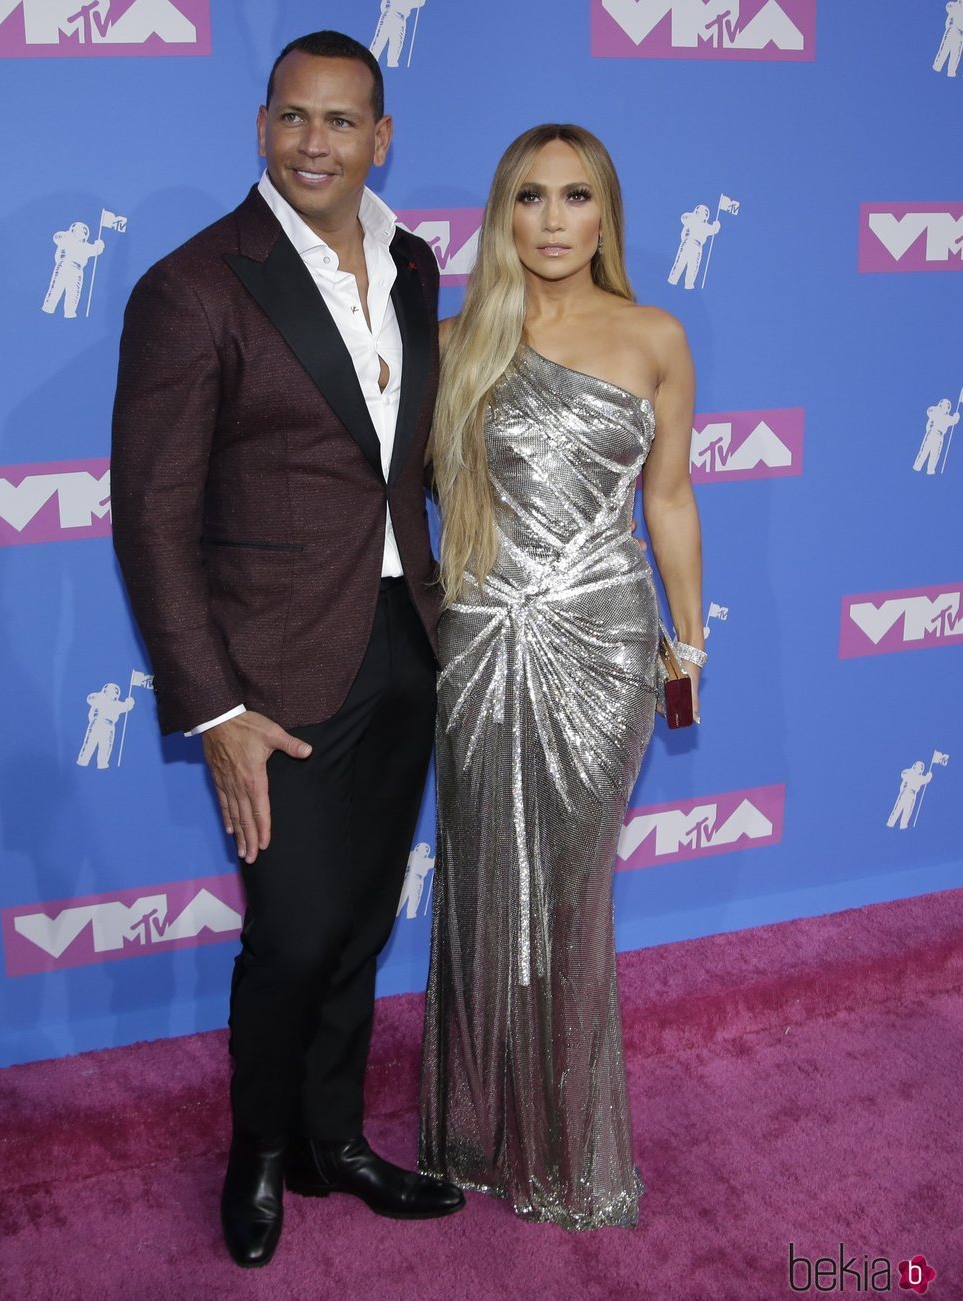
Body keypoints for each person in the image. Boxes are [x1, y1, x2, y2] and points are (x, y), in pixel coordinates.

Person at [110, 30, 462, 1270]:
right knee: (295, 930)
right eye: (292, 118)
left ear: (379, 137)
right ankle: (257, 1150)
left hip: (400, 644)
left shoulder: (416, 264)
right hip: (270, 673)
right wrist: (213, 709)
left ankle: (333, 1142)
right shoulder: (194, 285)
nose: (315, 143)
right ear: (262, 127)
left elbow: (408, 460)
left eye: (340, 121)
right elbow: (151, 516)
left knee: (360, 923)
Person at [419, 124, 705, 1229]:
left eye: (573, 196)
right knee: (484, 891)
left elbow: (668, 496)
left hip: (606, 647)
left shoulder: (653, 336)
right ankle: (479, 1133)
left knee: (572, 900)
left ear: (604, 215)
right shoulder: (452, 344)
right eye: (529, 197)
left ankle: (573, 1148)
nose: (550, 220)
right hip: (482, 647)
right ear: (502, 214)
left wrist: (688, 641)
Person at [667, 204, 720, 289]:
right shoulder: (691, 219)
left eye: (705, 213)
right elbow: (684, 217)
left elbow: (713, 230)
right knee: (680, 262)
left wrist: (716, 225)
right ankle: (672, 280)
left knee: (693, 267)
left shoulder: (705, 226)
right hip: (687, 242)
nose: (702, 214)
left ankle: (689, 285)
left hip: (697, 246)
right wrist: (693, 216)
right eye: (701, 211)